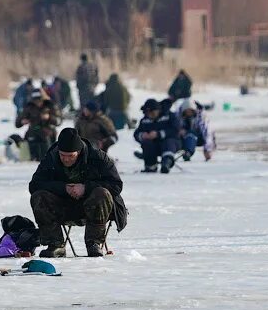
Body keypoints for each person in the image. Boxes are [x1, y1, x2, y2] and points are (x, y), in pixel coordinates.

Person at [29, 128, 127, 258]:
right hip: (63, 206)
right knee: (39, 196)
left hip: (94, 208)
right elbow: (35, 185)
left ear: (79, 151)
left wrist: (85, 188)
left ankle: (94, 243)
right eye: (62, 155)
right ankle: (55, 244)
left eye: (71, 156)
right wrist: (64, 188)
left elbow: (116, 185)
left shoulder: (98, 157)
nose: (66, 159)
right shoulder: (51, 158)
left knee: (102, 193)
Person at [134, 98, 180, 173]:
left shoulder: (170, 116)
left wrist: (158, 134)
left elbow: (176, 130)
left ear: (158, 110)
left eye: (152, 112)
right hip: (154, 146)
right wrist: (142, 135)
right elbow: (136, 133)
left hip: (171, 144)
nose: (150, 115)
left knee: (168, 142)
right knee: (147, 143)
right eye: (147, 113)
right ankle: (150, 166)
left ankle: (166, 163)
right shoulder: (144, 120)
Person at [15, 88, 60, 161]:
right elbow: (17, 123)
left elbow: (59, 121)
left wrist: (49, 117)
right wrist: (22, 121)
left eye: (39, 100)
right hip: (33, 133)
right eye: (35, 100)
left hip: (48, 132)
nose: (38, 102)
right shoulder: (29, 107)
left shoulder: (51, 105)